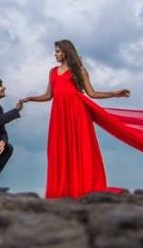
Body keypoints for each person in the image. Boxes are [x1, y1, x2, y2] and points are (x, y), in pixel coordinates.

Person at [20, 40, 131, 198]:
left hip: (77, 113)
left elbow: (92, 93)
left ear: (66, 51)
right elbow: (48, 95)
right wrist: (30, 98)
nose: (56, 54)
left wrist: (114, 93)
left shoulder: (79, 70)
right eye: (55, 51)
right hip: (59, 115)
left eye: (58, 51)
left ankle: (83, 186)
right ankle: (64, 188)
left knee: (81, 148)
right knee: (59, 149)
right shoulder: (52, 72)